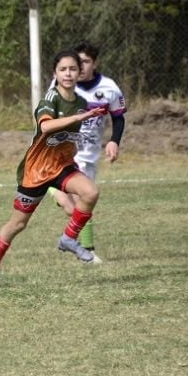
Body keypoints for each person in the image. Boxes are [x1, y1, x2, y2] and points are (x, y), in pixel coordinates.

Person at [0, 50, 108, 290]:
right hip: (36, 171)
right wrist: (85, 116)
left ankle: (69, 238)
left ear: (80, 72)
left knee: (90, 193)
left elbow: (68, 137)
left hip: (61, 166)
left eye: (73, 69)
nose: (68, 74)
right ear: (55, 73)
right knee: (18, 224)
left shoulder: (80, 103)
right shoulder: (51, 99)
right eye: (63, 70)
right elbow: (47, 126)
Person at [48, 40, 127, 264]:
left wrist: (114, 141)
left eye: (85, 62)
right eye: (77, 62)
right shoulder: (60, 85)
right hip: (66, 153)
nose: (79, 68)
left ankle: (53, 191)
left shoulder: (109, 88)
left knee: (79, 206)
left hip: (90, 155)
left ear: (94, 63)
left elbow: (118, 117)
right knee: (84, 198)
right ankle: (87, 251)